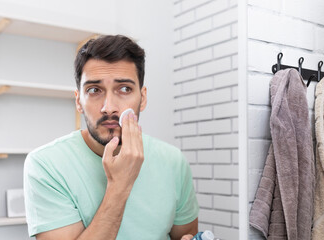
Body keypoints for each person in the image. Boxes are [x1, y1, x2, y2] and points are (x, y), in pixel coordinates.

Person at [23, 35, 199, 240]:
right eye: (94, 90)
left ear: (143, 98)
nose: (109, 108)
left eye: (124, 89)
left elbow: (186, 234)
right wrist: (120, 184)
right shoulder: (45, 165)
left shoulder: (173, 161)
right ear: (79, 101)